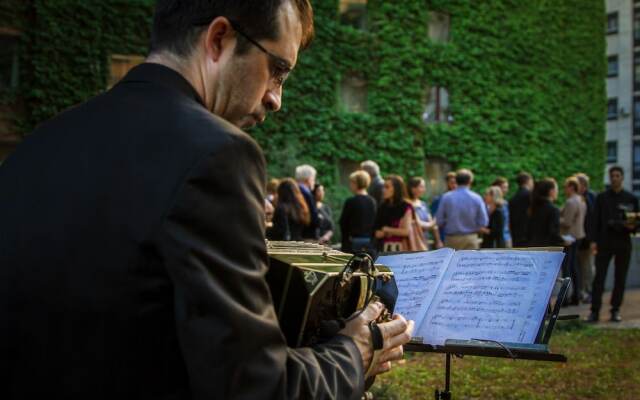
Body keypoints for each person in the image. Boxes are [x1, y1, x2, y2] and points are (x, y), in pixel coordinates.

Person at [0, 1, 414, 398]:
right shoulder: (218, 154)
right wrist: (355, 351)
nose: (276, 98)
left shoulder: (40, 143)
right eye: (277, 71)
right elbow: (254, 386)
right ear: (218, 39)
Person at [587, 166, 639, 323]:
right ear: (610, 178)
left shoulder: (631, 198)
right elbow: (594, 220)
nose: (615, 178)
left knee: (620, 277)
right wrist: (593, 241)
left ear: (622, 177)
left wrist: (632, 226)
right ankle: (594, 311)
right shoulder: (602, 198)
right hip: (604, 242)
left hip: (623, 242)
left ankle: (615, 310)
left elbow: (636, 221)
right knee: (599, 278)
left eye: (617, 175)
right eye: (612, 176)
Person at [435, 169, 488, 250]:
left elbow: (439, 220)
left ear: (456, 180)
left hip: (451, 238)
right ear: (470, 181)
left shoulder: (446, 197)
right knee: (470, 262)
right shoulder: (476, 198)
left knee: (452, 262)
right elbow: (483, 222)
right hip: (470, 238)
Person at [560, 176, 586, 305]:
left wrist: (555, 219)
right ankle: (576, 295)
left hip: (569, 238)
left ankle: (565, 298)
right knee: (574, 267)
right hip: (579, 236)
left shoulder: (571, 202)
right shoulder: (581, 200)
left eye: (566, 186)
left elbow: (567, 222)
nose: (564, 189)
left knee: (567, 268)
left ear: (571, 187)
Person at [340, 170, 377, 253]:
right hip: (369, 241)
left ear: (356, 183)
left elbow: (343, 223)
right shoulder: (372, 201)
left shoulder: (351, 201)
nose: (350, 185)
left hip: (354, 241)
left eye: (351, 183)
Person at [374, 175, 413, 252]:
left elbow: (406, 231)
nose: (383, 190)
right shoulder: (382, 206)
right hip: (381, 249)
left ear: (397, 189)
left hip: (400, 249)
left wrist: (386, 229)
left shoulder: (406, 206)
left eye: (387, 187)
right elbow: (377, 232)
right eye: (383, 187)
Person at [575, 172, 596, 302]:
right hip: (580, 238)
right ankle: (582, 291)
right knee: (581, 266)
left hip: (586, 238)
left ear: (583, 185)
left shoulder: (590, 197)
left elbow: (592, 219)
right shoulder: (581, 197)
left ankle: (588, 291)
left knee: (587, 266)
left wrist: (593, 239)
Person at [526, 178, 565, 247]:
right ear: (551, 191)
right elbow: (553, 233)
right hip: (547, 249)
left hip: (532, 247)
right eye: (556, 189)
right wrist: (564, 241)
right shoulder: (553, 209)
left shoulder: (533, 207)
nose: (557, 192)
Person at [407, 177, 443, 249]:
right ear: (413, 189)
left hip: (425, 240)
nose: (424, 189)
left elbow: (432, 224)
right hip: (414, 241)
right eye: (421, 187)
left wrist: (438, 241)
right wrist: (431, 224)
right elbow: (419, 223)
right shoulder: (408, 205)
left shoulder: (423, 204)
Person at [510, 172, 534, 247]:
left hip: (515, 233)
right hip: (529, 234)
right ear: (528, 181)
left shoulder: (513, 198)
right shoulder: (531, 196)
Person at [295, 164, 319, 240]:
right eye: (313, 179)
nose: (314, 182)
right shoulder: (305, 193)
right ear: (308, 179)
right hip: (306, 235)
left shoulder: (294, 191)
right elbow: (312, 216)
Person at [492, 177, 512, 248]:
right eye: (503, 187)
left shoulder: (505, 203)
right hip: (496, 240)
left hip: (506, 238)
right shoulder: (491, 204)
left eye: (506, 187)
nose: (506, 190)